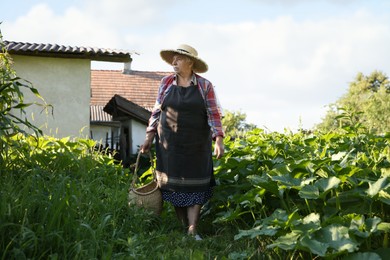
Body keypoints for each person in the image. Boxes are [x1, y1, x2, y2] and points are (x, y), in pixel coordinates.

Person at [141, 44, 224, 240]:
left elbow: (214, 114)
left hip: (197, 144)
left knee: (197, 184)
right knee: (173, 185)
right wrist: (149, 136)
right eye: (173, 59)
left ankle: (193, 229)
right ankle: (183, 226)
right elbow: (156, 111)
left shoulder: (205, 85)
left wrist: (218, 139)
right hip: (169, 144)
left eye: (178, 58)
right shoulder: (166, 83)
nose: (173, 62)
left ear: (190, 62)